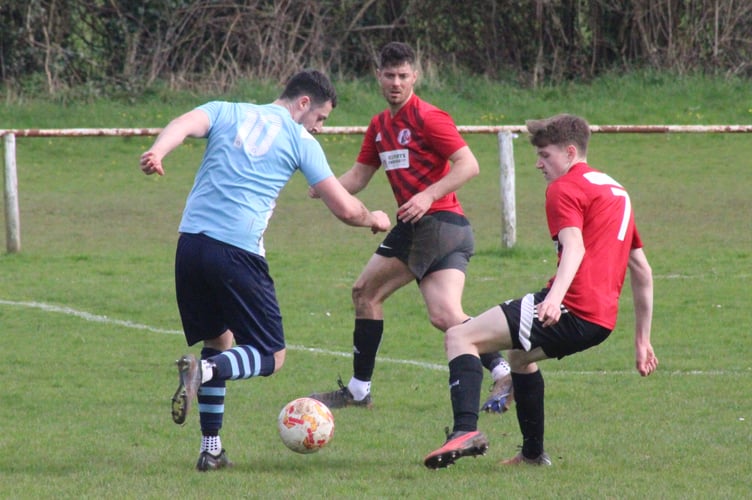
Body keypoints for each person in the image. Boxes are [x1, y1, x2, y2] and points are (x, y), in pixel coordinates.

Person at [139, 69, 391, 472]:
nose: (320, 127)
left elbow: (183, 124)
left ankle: (211, 449)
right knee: (271, 356)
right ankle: (203, 371)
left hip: (190, 245)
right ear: (303, 103)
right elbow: (345, 208)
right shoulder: (298, 139)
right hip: (236, 251)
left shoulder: (228, 109)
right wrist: (374, 218)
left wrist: (158, 152)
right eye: (321, 118)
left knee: (220, 340)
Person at [423, 113, 658, 469]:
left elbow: (574, 248)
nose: (539, 164)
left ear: (569, 152)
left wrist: (554, 299)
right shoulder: (615, 190)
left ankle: (464, 431)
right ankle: (532, 455)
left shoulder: (564, 188)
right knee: (519, 357)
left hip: (572, 308)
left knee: (459, 337)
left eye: (545, 155)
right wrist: (642, 340)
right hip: (600, 323)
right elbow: (641, 269)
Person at [309, 41, 512, 412]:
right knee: (445, 315)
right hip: (447, 229)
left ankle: (358, 390)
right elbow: (359, 176)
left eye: (403, 76)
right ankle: (503, 369)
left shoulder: (429, 118)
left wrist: (427, 196)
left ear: (415, 76)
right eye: (389, 76)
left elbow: (468, 164)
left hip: (432, 224)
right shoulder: (380, 126)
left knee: (364, 293)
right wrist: (324, 186)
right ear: (378, 77)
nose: (396, 83)